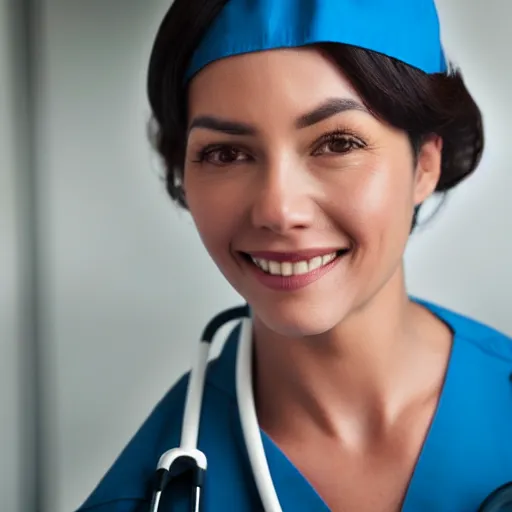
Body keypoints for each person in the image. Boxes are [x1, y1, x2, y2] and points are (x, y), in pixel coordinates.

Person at [76, 0, 512, 511]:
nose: (279, 211)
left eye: (337, 143)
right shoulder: (140, 497)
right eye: (226, 153)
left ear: (425, 165)